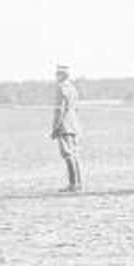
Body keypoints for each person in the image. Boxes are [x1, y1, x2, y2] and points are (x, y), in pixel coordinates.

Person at [50, 64, 82, 192]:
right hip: (74, 125)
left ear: (62, 75)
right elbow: (77, 109)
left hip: (64, 126)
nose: (55, 76)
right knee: (74, 155)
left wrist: (55, 128)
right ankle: (78, 183)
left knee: (67, 154)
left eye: (57, 74)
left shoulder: (61, 88)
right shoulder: (73, 88)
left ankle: (73, 184)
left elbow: (60, 110)